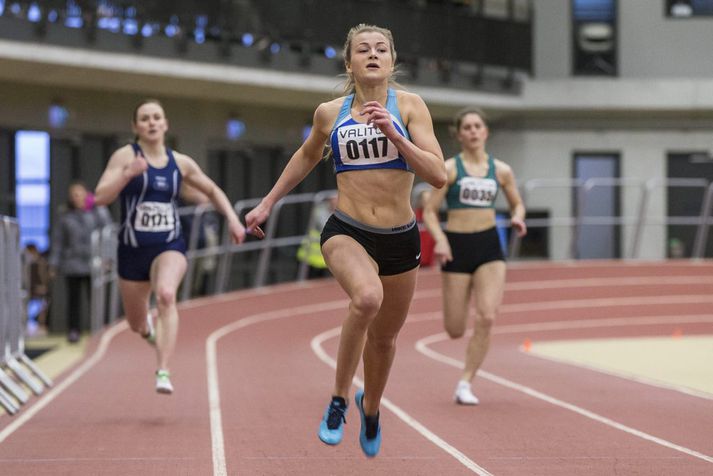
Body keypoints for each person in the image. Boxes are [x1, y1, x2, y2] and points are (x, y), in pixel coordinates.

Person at [246, 24, 446, 457]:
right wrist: (267, 204)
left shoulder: (410, 108)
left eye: (381, 49)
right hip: (347, 230)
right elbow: (306, 155)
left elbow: (438, 174)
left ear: (392, 61)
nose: (373, 55)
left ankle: (370, 406)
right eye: (363, 49)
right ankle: (338, 399)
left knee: (385, 339)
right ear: (349, 62)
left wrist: (397, 136)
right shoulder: (329, 113)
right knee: (367, 299)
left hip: (399, 236)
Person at [94, 99, 263, 395]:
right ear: (136, 127)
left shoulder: (180, 163)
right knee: (135, 324)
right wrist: (127, 174)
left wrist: (234, 222)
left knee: (166, 295)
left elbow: (211, 189)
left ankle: (163, 370)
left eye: (156, 117)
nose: (151, 122)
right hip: (132, 250)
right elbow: (99, 197)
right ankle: (147, 329)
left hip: (169, 244)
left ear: (165, 124)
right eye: (144, 118)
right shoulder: (125, 155)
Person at [422, 107, 527, 405]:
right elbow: (430, 211)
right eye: (466, 127)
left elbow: (518, 205)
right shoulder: (451, 168)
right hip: (456, 246)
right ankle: (464, 369)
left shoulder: (502, 170)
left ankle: (465, 382)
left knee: (487, 316)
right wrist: (440, 240)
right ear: (458, 134)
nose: (472, 131)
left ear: (486, 132)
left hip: (489, 246)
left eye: (477, 126)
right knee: (455, 329)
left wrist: (518, 218)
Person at [49, 181, 112, 343]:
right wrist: (53, 264)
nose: (76, 197)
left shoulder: (98, 213)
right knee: (74, 300)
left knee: (96, 298)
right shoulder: (65, 217)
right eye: (73, 195)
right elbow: (58, 242)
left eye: (79, 193)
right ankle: (74, 330)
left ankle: (100, 329)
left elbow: (108, 234)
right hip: (73, 264)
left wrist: (108, 259)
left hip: (94, 263)